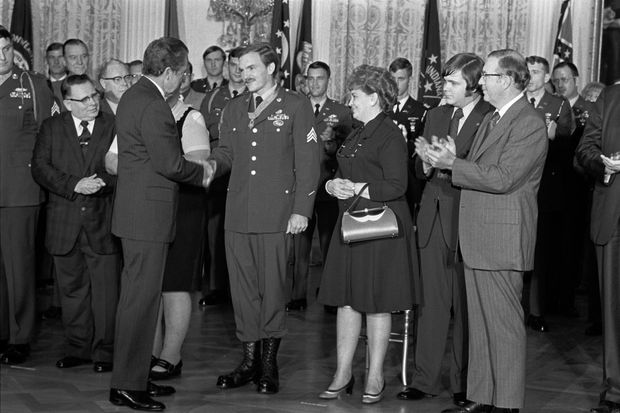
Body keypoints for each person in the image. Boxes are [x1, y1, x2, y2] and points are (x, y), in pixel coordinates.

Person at [426, 49, 547, 413]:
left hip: (501, 238)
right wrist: (450, 159)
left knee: (504, 327)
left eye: (489, 76)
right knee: (479, 326)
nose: (482, 83)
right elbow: (479, 168)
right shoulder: (495, 117)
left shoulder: (528, 122)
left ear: (507, 80)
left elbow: (505, 178)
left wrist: (454, 164)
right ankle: (481, 399)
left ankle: (506, 403)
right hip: (479, 236)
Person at [207, 42, 319, 395]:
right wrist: (208, 165)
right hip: (238, 213)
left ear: (271, 68)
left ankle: (269, 364)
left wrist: (302, 209)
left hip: (277, 214)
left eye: (252, 68)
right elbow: (226, 152)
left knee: (272, 290)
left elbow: (309, 162)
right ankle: (249, 360)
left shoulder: (296, 105)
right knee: (241, 292)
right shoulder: (234, 107)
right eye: (240, 68)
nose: (244, 74)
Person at [109, 37, 209, 412]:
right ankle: (127, 385)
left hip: (137, 214)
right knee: (139, 303)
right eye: (182, 74)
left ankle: (135, 377)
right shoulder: (153, 105)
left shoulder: (135, 95)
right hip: (146, 218)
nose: (183, 81)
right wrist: (207, 171)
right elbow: (171, 164)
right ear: (168, 72)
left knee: (140, 300)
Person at [317, 64, 417, 404]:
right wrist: (332, 185)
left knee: (377, 302)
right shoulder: (356, 131)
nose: (351, 101)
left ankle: (375, 375)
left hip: (380, 227)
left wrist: (356, 187)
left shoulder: (389, 133)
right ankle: (343, 372)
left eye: (356, 96)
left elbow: (397, 185)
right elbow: (338, 169)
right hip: (351, 223)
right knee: (347, 300)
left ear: (374, 98)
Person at [397, 53, 493, 406]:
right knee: (431, 304)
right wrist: (423, 162)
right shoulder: (435, 114)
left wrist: (455, 161)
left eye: (452, 82)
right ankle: (424, 380)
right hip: (433, 218)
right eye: (445, 81)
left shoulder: (490, 117)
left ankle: (464, 384)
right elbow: (421, 169)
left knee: (466, 309)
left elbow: (488, 171)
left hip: (468, 219)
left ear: (473, 86)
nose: (444, 88)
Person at [31, 74, 120, 373]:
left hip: (103, 221)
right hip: (64, 223)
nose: (93, 102)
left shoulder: (113, 125)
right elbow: (41, 168)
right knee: (72, 291)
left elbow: (127, 165)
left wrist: (99, 184)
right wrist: (75, 185)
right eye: (84, 99)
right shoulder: (51, 127)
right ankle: (78, 348)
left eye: (94, 95)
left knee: (106, 292)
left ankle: (105, 352)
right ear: (67, 103)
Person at [0, 27, 56, 365]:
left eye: (6, 49)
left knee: (18, 267)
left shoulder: (32, 85)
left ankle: (20, 337)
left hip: (19, 191)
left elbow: (46, 134)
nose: (2, 56)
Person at [150, 81, 210, 381]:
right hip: (152, 207)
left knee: (175, 283)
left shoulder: (191, 118)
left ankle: (171, 357)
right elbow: (114, 161)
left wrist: (154, 164)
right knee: (152, 285)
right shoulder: (144, 116)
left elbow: (198, 164)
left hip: (184, 208)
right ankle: (151, 352)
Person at [286, 60, 353, 312]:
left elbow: (348, 151)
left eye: (320, 78)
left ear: (328, 80)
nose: (314, 83)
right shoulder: (295, 106)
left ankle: (328, 294)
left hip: (328, 185)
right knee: (299, 246)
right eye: (310, 78)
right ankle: (297, 295)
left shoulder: (342, 112)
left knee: (328, 244)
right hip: (301, 186)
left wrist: (331, 145)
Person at [576, 83, 620, 413]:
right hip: (612, 218)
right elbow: (585, 148)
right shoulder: (611, 95)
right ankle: (615, 392)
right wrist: (602, 162)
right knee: (613, 312)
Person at [524, 55, 574, 333]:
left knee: (541, 253)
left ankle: (536, 310)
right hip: (519, 185)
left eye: (535, 72)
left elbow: (569, 148)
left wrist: (554, 137)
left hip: (546, 187)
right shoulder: (518, 102)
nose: (530, 76)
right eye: (527, 71)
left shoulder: (558, 105)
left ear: (546, 77)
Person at [552, 62, 601, 336]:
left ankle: (568, 298)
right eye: (556, 80)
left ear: (576, 80)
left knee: (573, 245)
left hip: (580, 186)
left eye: (565, 79)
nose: (561, 84)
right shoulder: (552, 106)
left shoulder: (589, 108)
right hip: (555, 185)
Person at [198, 46, 246, 307]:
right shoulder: (215, 97)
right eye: (234, 66)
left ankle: (242, 287)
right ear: (227, 68)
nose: (238, 71)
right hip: (220, 172)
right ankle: (216, 287)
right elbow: (202, 133)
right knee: (216, 230)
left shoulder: (256, 95)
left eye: (244, 66)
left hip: (246, 173)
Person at [387, 57, 427, 217]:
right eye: (393, 79)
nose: (396, 84)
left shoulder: (421, 111)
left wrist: (404, 143)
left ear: (410, 79)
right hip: (382, 177)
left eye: (401, 79)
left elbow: (421, 148)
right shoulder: (380, 108)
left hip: (408, 179)